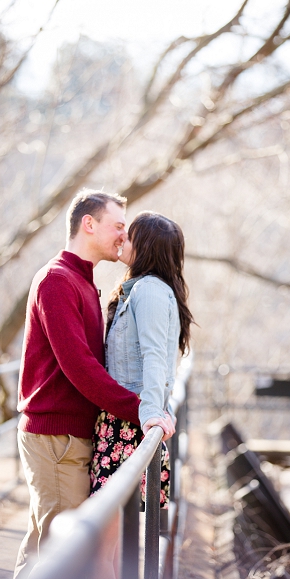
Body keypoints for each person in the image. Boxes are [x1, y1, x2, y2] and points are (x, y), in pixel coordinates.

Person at [12, 189, 150, 579]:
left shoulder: (84, 283)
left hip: (70, 437)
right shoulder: (57, 281)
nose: (124, 236)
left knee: (47, 548)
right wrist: (140, 408)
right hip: (56, 437)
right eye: (118, 226)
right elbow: (80, 368)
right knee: (58, 557)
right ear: (88, 224)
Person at [90, 212, 189, 503]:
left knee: (111, 521)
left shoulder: (149, 291)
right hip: (122, 419)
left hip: (129, 423)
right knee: (111, 522)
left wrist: (152, 414)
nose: (123, 238)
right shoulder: (142, 289)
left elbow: (155, 356)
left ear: (144, 247)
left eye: (130, 235)